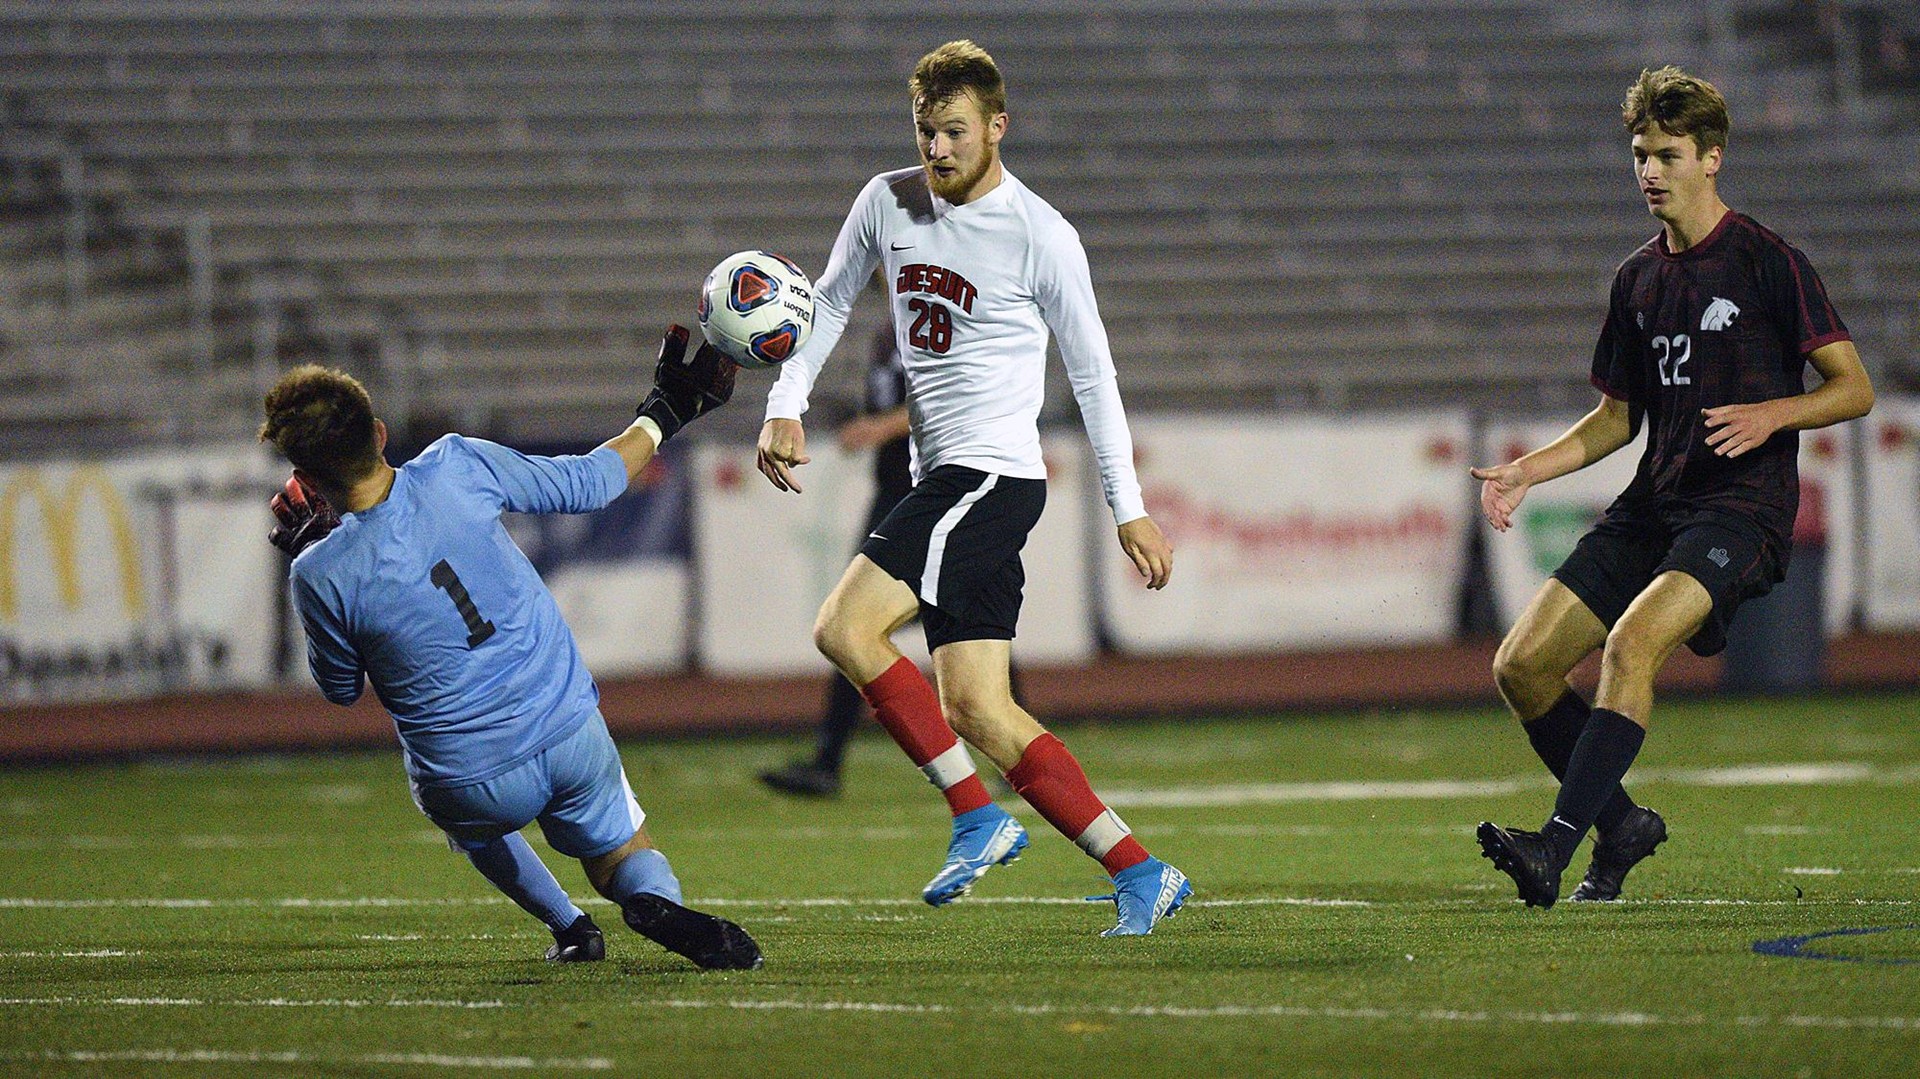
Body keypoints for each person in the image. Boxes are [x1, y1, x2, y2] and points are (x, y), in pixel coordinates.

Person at [754, 40, 1190, 936]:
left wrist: (1129, 505)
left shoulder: (1042, 235)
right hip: (943, 475)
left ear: (998, 127)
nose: (937, 150)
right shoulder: (887, 200)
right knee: (981, 707)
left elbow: (1095, 378)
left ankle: (975, 815)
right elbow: (831, 301)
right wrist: (785, 401)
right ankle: (1140, 869)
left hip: (989, 476)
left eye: (954, 131)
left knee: (843, 626)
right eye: (925, 131)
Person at [1469, 67, 1874, 908]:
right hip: (1655, 504)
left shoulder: (1769, 262)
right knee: (1522, 665)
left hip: (1741, 509)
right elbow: (1616, 419)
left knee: (1630, 644)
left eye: (1666, 155)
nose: (1649, 171)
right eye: (1640, 155)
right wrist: (1525, 470)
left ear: (1712, 159)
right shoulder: (1637, 280)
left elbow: (1853, 387)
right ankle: (1621, 826)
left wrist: (1773, 415)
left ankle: (1555, 843)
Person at [259, 326, 764, 969]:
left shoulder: (319, 571)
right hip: (566, 726)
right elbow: (590, 483)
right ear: (379, 433)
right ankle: (649, 900)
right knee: (624, 856)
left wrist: (312, 551)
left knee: (472, 829)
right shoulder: (456, 465)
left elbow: (339, 689)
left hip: (470, 778)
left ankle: (572, 928)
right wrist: (664, 413)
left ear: (304, 475)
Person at [758, 324, 913, 798]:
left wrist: (878, 427)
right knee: (959, 615)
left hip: (926, 489)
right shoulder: (889, 332)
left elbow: (955, 397)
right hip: (894, 488)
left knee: (853, 622)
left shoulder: (930, 318)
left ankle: (828, 760)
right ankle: (827, 760)